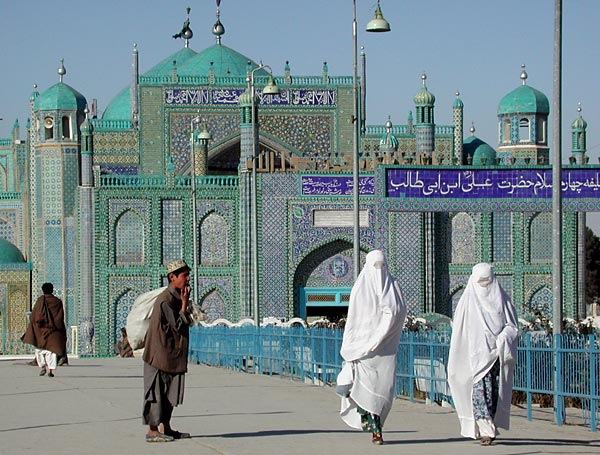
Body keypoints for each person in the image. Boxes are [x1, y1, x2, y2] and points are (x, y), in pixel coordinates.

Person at [336, 250, 407, 445]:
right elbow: (355, 321)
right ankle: (376, 430)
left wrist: (381, 335)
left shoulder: (394, 288)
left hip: (384, 352)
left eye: (381, 266)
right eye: (374, 266)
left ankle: (377, 424)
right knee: (365, 389)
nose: (378, 271)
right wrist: (359, 344)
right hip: (364, 352)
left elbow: (397, 313)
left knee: (383, 390)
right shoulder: (360, 289)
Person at [447, 263, 519, 446]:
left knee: (493, 393)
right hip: (475, 357)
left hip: (495, 356)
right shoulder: (467, 302)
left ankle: (490, 427)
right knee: (479, 394)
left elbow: (512, 326)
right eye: (480, 282)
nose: (484, 287)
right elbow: (459, 329)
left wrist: (503, 337)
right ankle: (486, 431)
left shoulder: (503, 300)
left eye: (487, 282)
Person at [142, 259, 193, 443]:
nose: (188, 279)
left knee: (169, 392)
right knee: (156, 393)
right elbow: (178, 325)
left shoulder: (175, 297)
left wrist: (183, 302)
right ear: (172, 277)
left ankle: (167, 427)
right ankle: (153, 430)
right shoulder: (166, 300)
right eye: (184, 276)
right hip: (159, 355)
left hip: (170, 355)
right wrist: (184, 304)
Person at [21, 283, 67, 378]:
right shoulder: (57, 302)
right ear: (52, 290)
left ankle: (43, 367)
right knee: (51, 351)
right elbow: (60, 317)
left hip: (41, 330)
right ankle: (50, 370)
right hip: (53, 331)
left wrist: (35, 326)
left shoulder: (40, 301)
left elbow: (34, 316)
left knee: (39, 350)